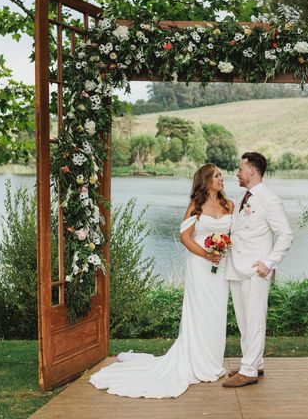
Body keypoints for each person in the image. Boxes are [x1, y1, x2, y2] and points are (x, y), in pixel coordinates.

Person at [89, 163, 233, 398]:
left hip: (221, 266)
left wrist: (223, 249)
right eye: (217, 175)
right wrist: (207, 254)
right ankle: (197, 361)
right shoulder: (195, 206)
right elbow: (185, 238)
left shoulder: (229, 205)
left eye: (221, 175)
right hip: (200, 265)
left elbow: (233, 234)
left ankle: (212, 360)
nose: (222, 178)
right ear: (206, 181)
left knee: (217, 312)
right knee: (201, 311)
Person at [222, 152, 293, 388]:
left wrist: (269, 263)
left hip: (256, 270)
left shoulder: (269, 199)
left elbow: (285, 234)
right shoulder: (242, 198)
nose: (237, 173)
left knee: (254, 319)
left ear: (252, 170)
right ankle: (253, 362)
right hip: (236, 268)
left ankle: (249, 370)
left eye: (241, 169)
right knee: (244, 321)